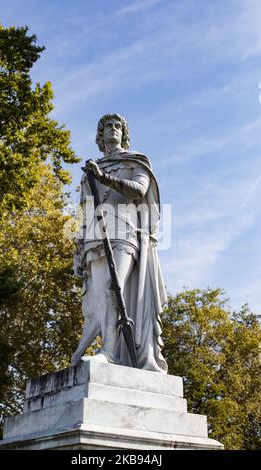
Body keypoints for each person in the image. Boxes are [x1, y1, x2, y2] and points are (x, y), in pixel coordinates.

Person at [71, 113, 167, 373]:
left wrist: (104, 178)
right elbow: (86, 210)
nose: (112, 129)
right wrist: (78, 249)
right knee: (98, 299)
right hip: (95, 235)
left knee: (115, 287)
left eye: (117, 126)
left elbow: (139, 190)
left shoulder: (135, 161)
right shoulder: (89, 171)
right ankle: (96, 349)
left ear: (124, 133)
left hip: (124, 231)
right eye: (107, 127)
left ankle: (110, 353)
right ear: (100, 136)